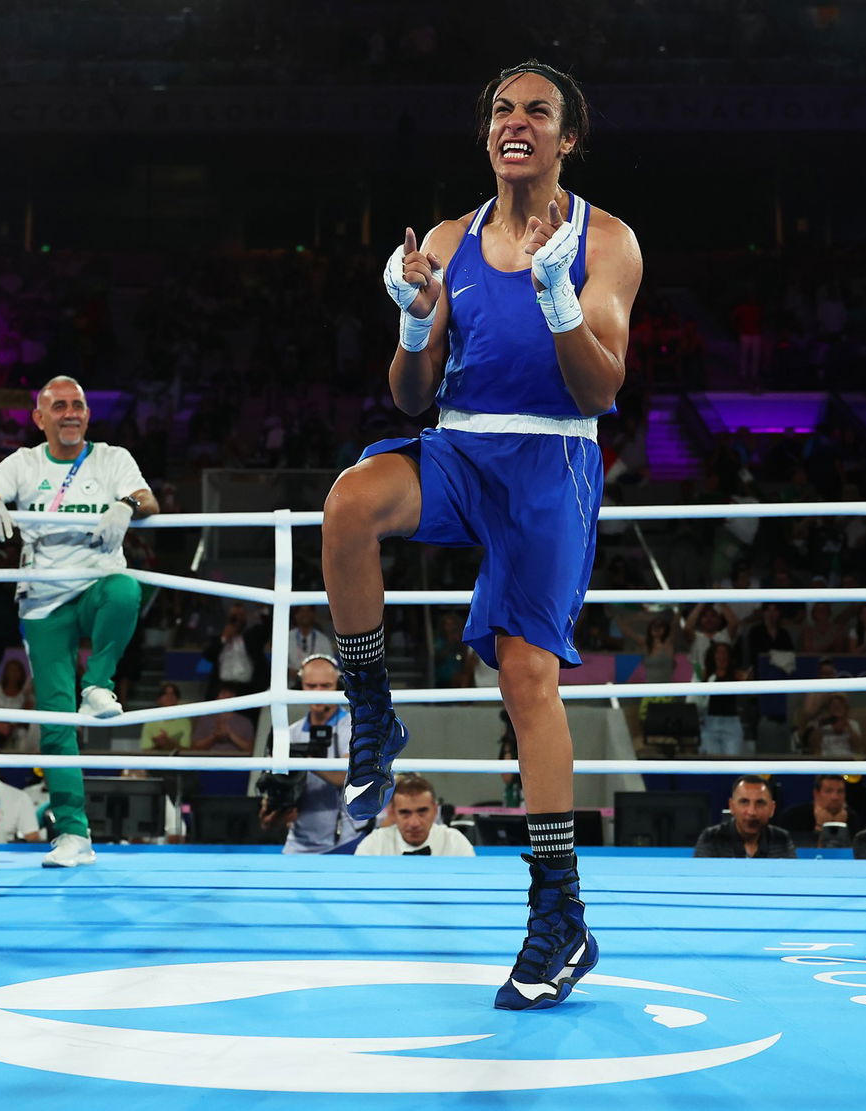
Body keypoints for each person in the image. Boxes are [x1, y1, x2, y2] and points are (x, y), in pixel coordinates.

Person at [320, 60, 641, 1011]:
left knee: (527, 680)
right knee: (348, 503)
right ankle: (371, 710)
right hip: (459, 449)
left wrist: (556, 293)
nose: (517, 122)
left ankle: (559, 912)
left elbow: (602, 389)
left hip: (550, 463)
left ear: (567, 137)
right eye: (503, 109)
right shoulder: (452, 240)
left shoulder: (607, 241)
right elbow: (411, 398)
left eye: (538, 111)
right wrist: (418, 318)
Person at [0, 375, 157, 868]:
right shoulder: (24, 462)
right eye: (59, 405)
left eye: (78, 405)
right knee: (54, 718)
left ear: (88, 414)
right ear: (39, 417)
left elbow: (148, 500)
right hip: (43, 601)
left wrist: (126, 505)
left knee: (126, 587)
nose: (71, 413)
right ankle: (73, 835)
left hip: (95, 585)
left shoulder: (112, 458)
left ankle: (100, 683)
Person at [258, 654, 364, 854]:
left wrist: (300, 761)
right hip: (298, 843)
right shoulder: (289, 733)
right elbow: (273, 796)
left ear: (338, 686)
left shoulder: (355, 726)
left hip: (346, 841)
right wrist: (274, 812)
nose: (318, 693)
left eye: (325, 686)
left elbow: (348, 775)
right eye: (311, 686)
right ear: (301, 686)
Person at [355, 773, 475, 856]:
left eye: (422, 812)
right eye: (405, 813)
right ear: (392, 813)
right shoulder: (374, 845)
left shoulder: (455, 842)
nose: (414, 823)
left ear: (435, 810)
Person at [693, 776, 797, 858]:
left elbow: (792, 882)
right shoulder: (711, 838)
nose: (752, 812)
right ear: (731, 806)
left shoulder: (782, 839)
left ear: (772, 808)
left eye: (760, 803)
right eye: (744, 802)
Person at [778, 774, 862, 841]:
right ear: (816, 794)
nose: (835, 797)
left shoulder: (852, 818)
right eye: (828, 791)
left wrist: (841, 829)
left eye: (840, 791)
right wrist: (820, 827)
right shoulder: (793, 816)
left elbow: (853, 854)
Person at [287, 605, 335, 686]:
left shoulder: (323, 639)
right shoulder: (286, 637)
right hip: (290, 686)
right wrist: (288, 671)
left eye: (308, 611)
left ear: (313, 614)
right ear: (295, 615)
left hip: (317, 686)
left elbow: (331, 666)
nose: (305, 614)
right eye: (301, 611)